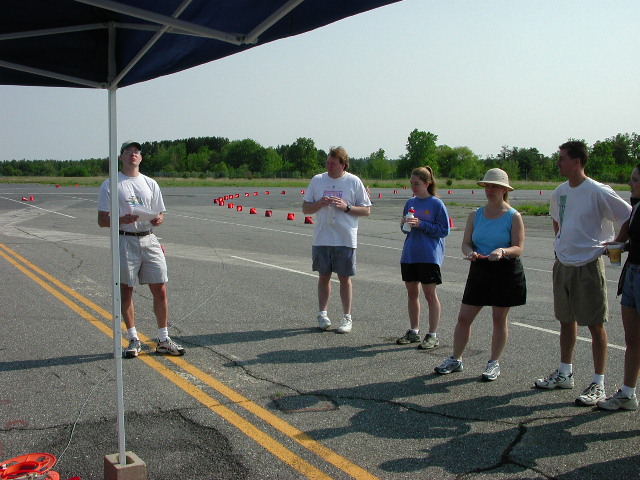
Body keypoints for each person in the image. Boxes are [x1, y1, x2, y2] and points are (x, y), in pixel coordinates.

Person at [535, 141, 630, 405]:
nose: (558, 163)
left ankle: (598, 383)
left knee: (595, 324)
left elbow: (629, 215)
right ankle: (565, 373)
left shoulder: (598, 191)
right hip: (563, 264)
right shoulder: (560, 192)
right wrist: (559, 242)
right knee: (566, 320)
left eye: (563, 158)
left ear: (577, 161)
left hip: (589, 264)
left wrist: (617, 243)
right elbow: (557, 218)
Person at [435, 168, 526, 381]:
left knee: (499, 318)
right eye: (487, 185)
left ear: (504, 189)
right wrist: (470, 253)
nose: (490, 190)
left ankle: (493, 363)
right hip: (480, 268)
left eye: (494, 186)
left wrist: (503, 251)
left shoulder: (514, 216)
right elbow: (466, 243)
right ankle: (456, 359)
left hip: (505, 269)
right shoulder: (475, 215)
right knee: (464, 317)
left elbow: (518, 247)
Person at [98, 140, 185, 358]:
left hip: (149, 239)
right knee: (126, 289)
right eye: (128, 152)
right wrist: (121, 219)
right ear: (121, 157)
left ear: (141, 157)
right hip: (125, 239)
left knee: (160, 287)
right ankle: (133, 337)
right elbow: (102, 220)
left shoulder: (150, 183)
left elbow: (161, 213)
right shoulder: (111, 184)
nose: (133, 155)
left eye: (136, 152)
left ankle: (163, 338)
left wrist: (158, 220)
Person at [302, 146, 372, 333]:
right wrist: (319, 203)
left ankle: (346, 317)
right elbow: (305, 208)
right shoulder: (318, 180)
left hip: (345, 238)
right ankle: (322, 314)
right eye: (328, 162)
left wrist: (346, 207)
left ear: (343, 165)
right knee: (323, 276)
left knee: (344, 278)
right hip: (323, 237)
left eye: (333, 163)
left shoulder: (353, 182)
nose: (329, 166)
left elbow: (366, 210)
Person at [597, 164, 640, 411]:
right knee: (632, 339)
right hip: (632, 273)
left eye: (635, 179)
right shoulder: (635, 208)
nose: (630, 184)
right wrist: (617, 246)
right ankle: (628, 393)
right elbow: (625, 239)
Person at [397, 166, 450, 349]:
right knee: (412, 293)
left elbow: (444, 230)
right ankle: (414, 331)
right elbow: (405, 230)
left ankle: (432, 334)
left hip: (429, 255)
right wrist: (405, 223)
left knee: (430, 294)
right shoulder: (410, 202)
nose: (413, 187)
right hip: (410, 254)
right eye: (411, 183)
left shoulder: (436, 204)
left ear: (427, 183)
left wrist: (422, 224)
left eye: (417, 184)